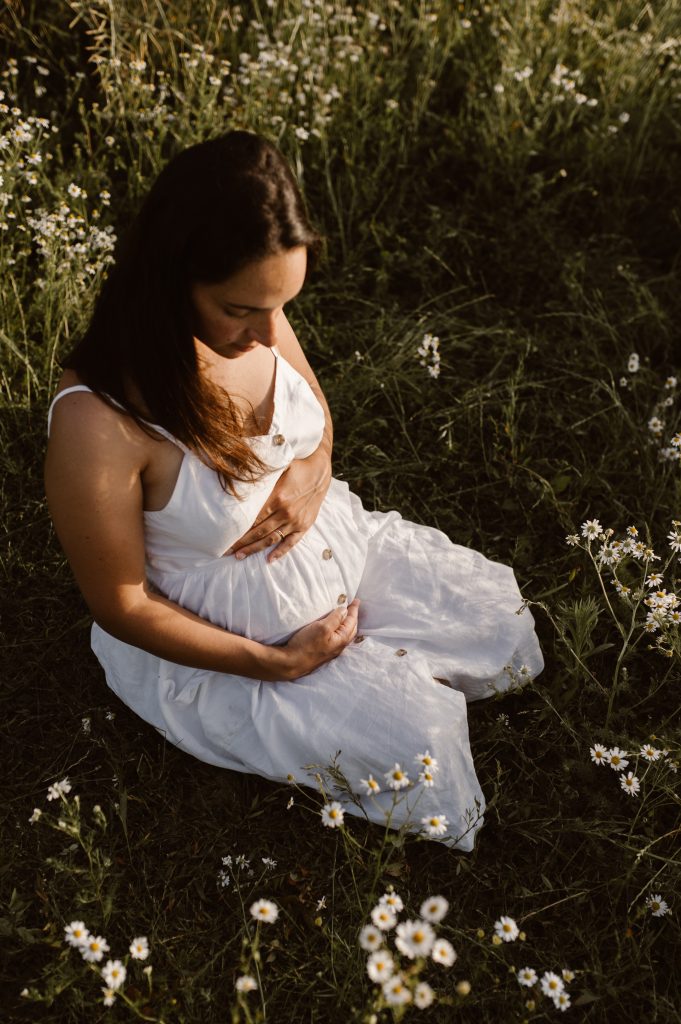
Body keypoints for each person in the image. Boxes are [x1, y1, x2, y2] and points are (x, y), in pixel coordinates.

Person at [45, 130, 543, 850]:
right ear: (170, 275)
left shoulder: (255, 314)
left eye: (282, 305)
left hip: (337, 548)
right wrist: (276, 663)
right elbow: (120, 603)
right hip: (233, 639)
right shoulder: (99, 421)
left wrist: (312, 476)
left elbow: (312, 415)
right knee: (422, 762)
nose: (268, 332)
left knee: (502, 626)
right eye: (242, 309)